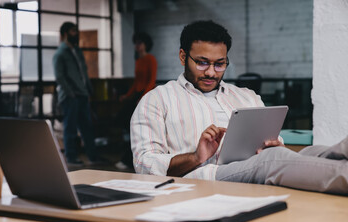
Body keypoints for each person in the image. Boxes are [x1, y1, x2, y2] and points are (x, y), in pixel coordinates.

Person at [130, 20, 348, 195]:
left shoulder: (246, 96)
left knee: (318, 151)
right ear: (182, 57)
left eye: (219, 63)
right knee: (269, 161)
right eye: (202, 62)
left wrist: (274, 143)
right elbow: (144, 164)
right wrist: (196, 157)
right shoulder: (157, 99)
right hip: (205, 176)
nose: (211, 72)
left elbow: (275, 146)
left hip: (254, 163)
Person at [53, 22, 100, 166]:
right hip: (70, 97)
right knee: (70, 128)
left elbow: (83, 72)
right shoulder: (60, 53)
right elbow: (60, 77)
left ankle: (93, 156)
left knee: (87, 128)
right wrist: (70, 93)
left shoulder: (77, 51)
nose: (76, 34)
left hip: (83, 95)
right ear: (65, 33)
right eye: (73, 31)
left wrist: (88, 89)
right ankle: (71, 157)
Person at [115, 32, 157, 170]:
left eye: (140, 43)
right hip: (136, 96)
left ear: (145, 45)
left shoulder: (151, 59)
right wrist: (127, 96)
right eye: (136, 43)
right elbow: (136, 83)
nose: (137, 46)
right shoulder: (138, 61)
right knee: (123, 120)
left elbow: (151, 81)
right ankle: (130, 156)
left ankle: (129, 159)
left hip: (146, 95)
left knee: (136, 128)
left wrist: (143, 98)